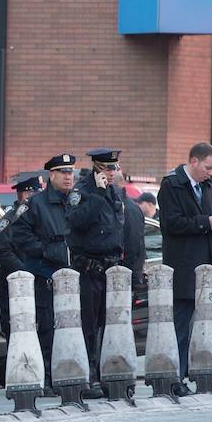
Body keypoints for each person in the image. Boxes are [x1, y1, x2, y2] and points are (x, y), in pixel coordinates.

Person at [157, 142, 212, 389]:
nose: (211, 173)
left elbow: (208, 217)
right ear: (193, 161)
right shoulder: (171, 185)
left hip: (207, 265)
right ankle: (177, 377)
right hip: (185, 265)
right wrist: (206, 222)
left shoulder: (205, 185)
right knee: (182, 325)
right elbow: (171, 224)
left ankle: (204, 376)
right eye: (208, 167)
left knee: (206, 326)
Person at [8, 155, 77, 393]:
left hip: (75, 276)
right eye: (63, 172)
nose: (69, 177)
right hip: (46, 274)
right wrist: (46, 250)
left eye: (71, 172)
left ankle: (74, 374)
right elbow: (19, 235)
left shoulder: (78, 200)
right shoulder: (36, 203)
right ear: (52, 175)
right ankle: (47, 376)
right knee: (48, 328)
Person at [67, 149, 126, 398]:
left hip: (110, 268)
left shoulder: (113, 191)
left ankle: (105, 375)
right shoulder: (82, 191)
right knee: (89, 326)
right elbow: (76, 220)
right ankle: (89, 378)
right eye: (109, 169)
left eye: (115, 168)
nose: (113, 173)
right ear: (98, 169)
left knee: (107, 326)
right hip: (89, 268)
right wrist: (98, 195)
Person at [0, 172, 44, 340]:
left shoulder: (42, 218)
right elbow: (2, 252)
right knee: (16, 334)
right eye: (30, 193)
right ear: (22, 194)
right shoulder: (9, 221)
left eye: (37, 194)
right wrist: (26, 272)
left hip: (41, 285)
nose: (34, 198)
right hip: (16, 285)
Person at [115, 171, 146, 296]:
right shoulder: (120, 206)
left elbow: (133, 244)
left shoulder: (129, 209)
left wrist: (125, 271)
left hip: (125, 275)